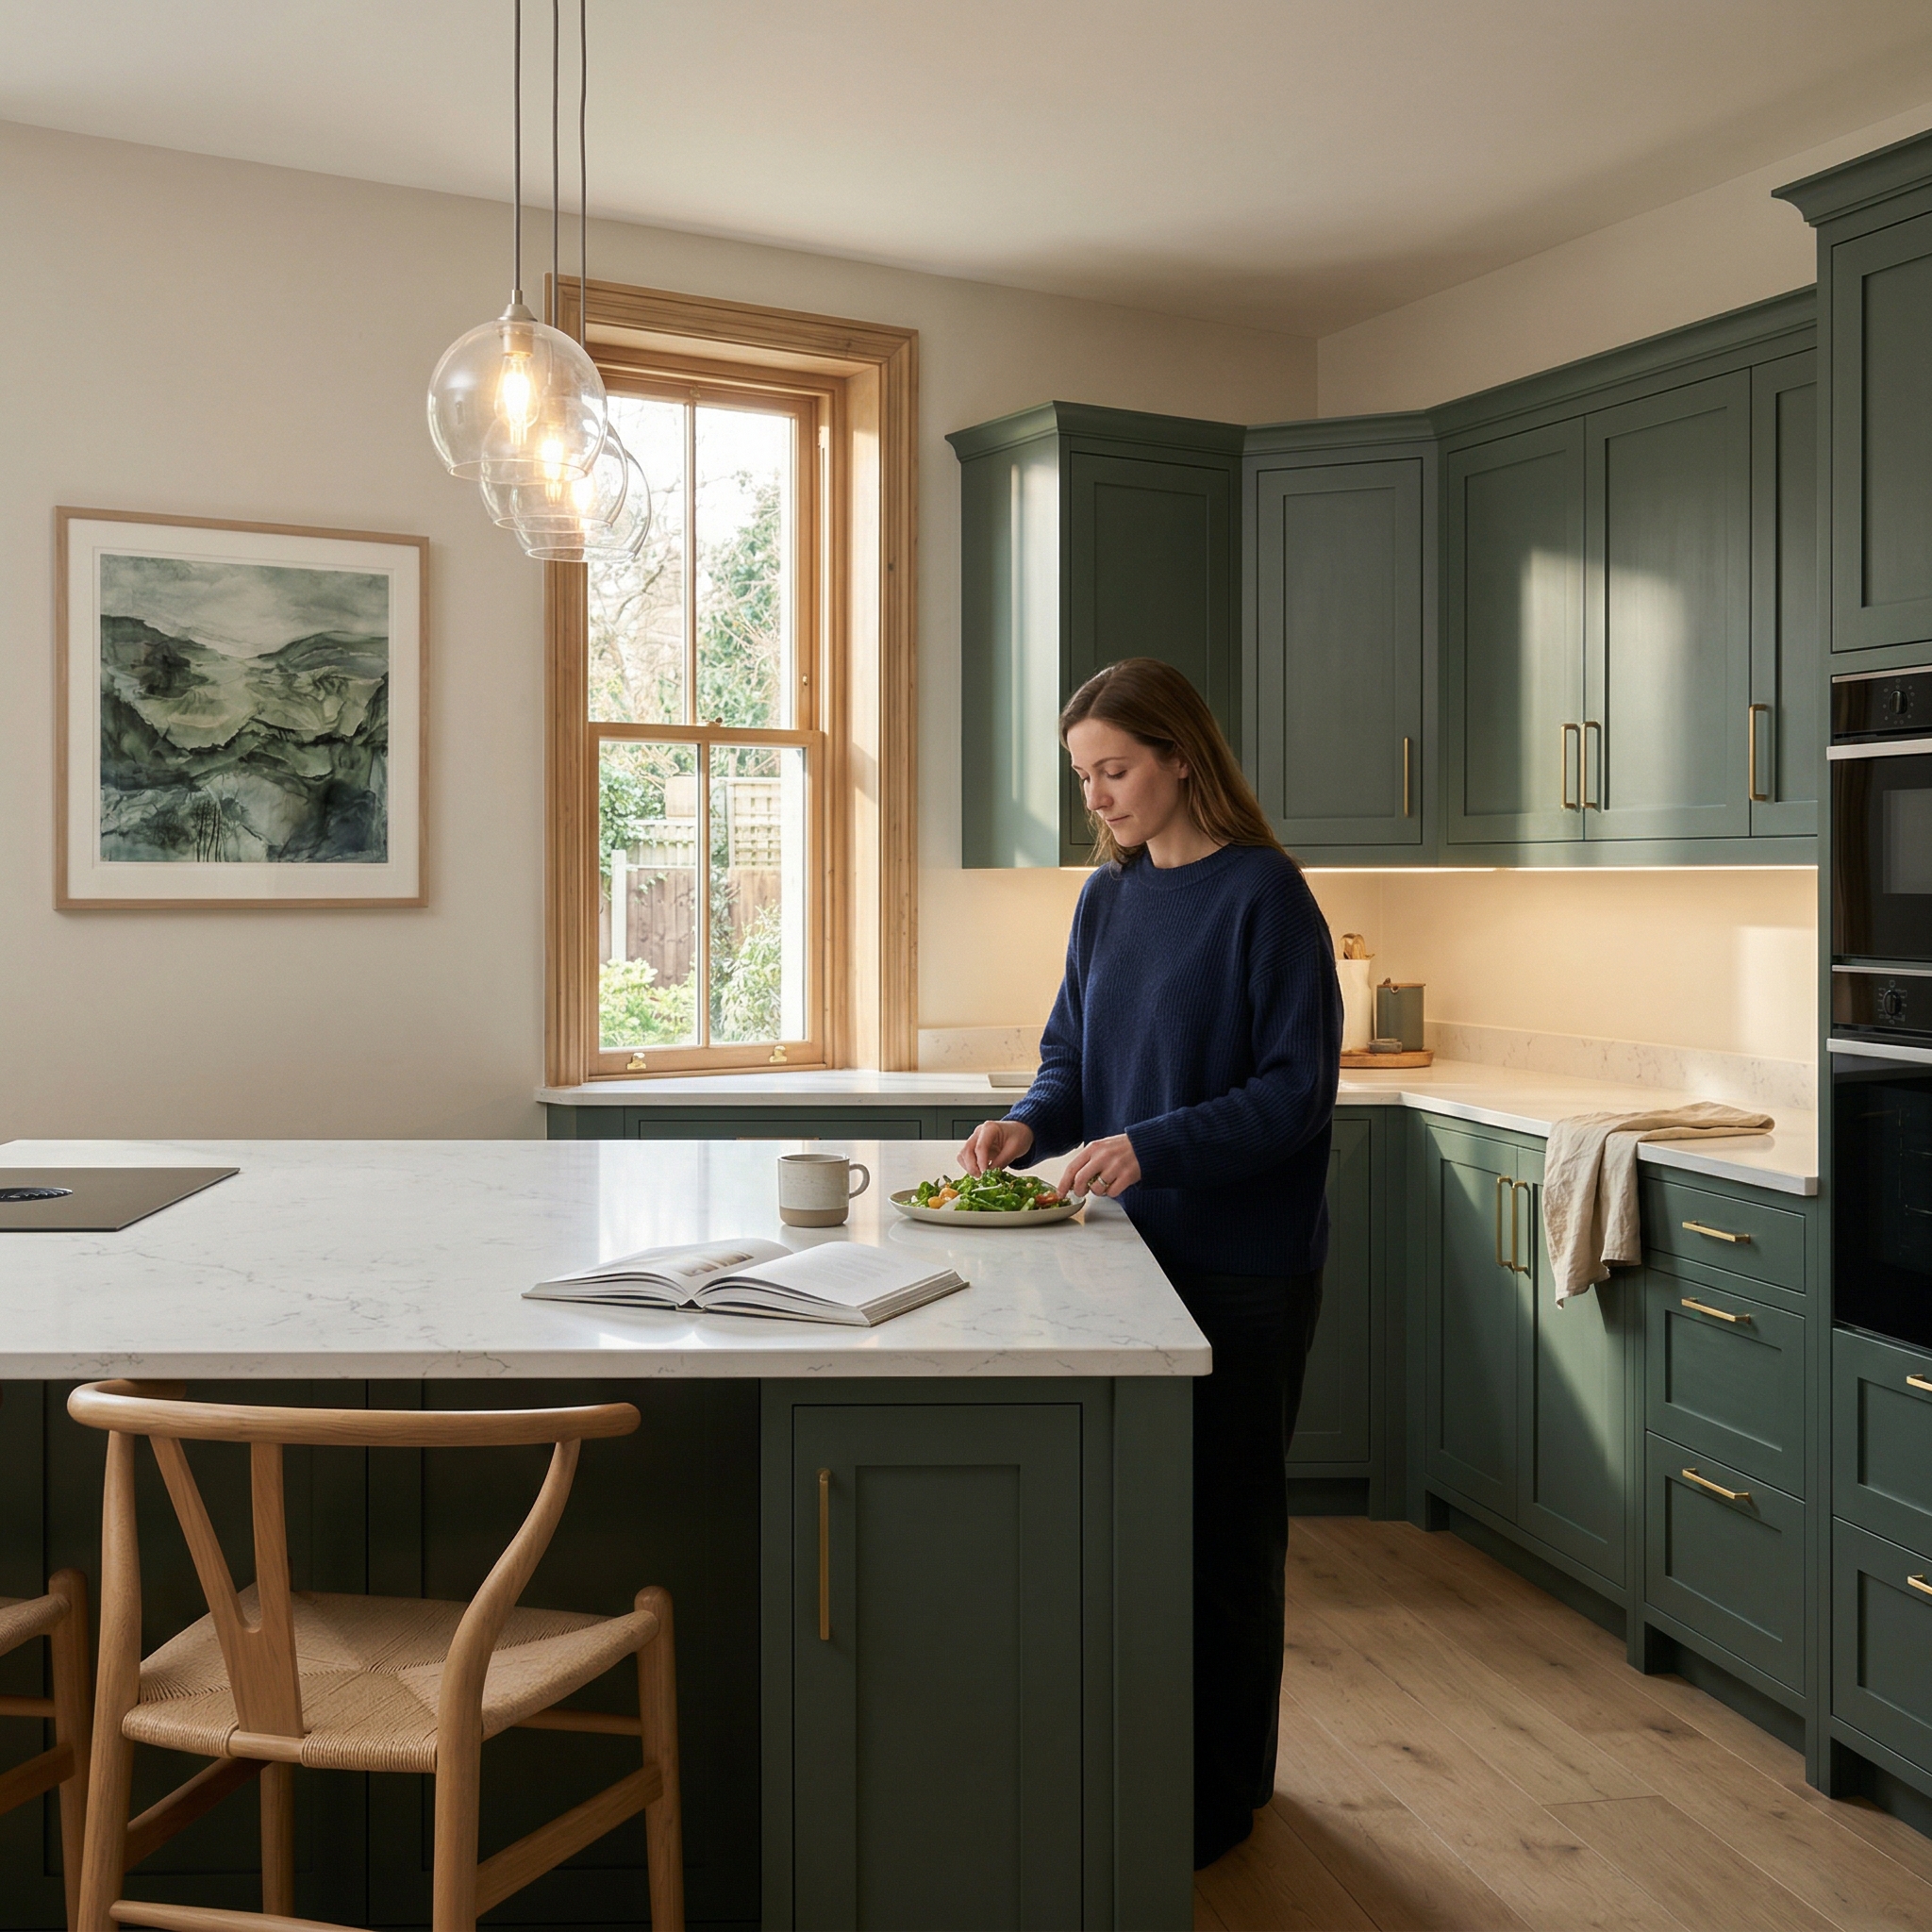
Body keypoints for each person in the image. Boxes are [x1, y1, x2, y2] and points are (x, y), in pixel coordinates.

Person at [958, 657, 1341, 1869]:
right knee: (1138, 1531)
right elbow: (1071, 1055)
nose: (1099, 798)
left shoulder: (1264, 897)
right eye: (1084, 776)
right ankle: (1148, 1768)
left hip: (1241, 1264)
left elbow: (1294, 1093)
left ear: (1182, 756)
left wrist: (1150, 1143)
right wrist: (1030, 1121)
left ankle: (1218, 1802)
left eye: (1114, 770)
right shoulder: (1106, 899)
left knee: (1226, 1538)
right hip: (1123, 1257)